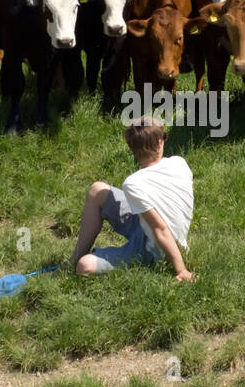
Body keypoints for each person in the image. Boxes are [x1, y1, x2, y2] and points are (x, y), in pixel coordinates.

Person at [70, 117, 196, 281]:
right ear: (159, 142)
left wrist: (181, 270)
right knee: (97, 190)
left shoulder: (133, 183)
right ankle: (73, 259)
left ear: (131, 147)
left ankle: (76, 261)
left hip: (157, 249)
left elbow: (161, 229)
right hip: (151, 227)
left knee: (84, 266)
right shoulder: (180, 163)